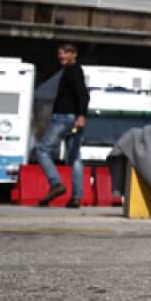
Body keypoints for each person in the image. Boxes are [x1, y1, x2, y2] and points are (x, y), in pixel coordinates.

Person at [36, 43, 88, 207]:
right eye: (60, 54)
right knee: (74, 158)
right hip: (72, 119)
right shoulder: (71, 71)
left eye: (64, 54)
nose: (61, 57)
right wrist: (80, 116)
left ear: (74, 54)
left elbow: (83, 94)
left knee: (42, 150)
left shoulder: (73, 70)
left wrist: (81, 115)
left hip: (64, 118)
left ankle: (55, 184)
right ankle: (76, 198)